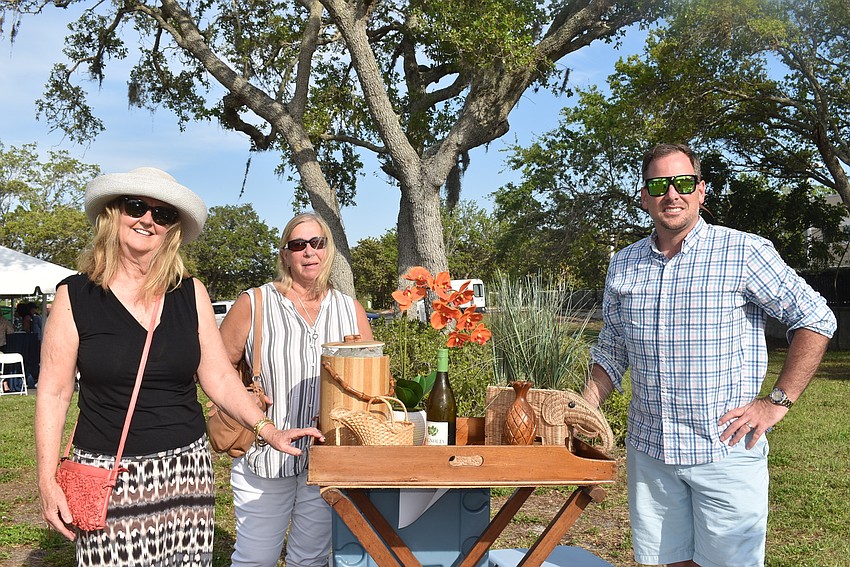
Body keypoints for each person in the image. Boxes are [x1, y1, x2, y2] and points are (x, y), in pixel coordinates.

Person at [34, 167, 324, 567]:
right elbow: (53, 392)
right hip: (109, 473)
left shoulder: (190, 292)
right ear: (113, 214)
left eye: (163, 214)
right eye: (136, 206)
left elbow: (219, 375)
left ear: (172, 230)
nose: (148, 219)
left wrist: (267, 429)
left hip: (185, 470)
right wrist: (47, 480)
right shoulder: (75, 295)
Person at [585, 143, 836, 567]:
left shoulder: (744, 252)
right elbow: (613, 346)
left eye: (683, 182)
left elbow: (815, 318)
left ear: (701, 190)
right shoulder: (624, 265)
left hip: (724, 449)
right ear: (644, 196)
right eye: (659, 185)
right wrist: (584, 408)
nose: (671, 194)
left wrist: (777, 402)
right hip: (651, 451)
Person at [219, 212, 373, 567]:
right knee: (256, 558)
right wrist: (247, 400)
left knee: (312, 558)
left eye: (317, 243)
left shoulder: (351, 310)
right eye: (298, 245)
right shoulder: (255, 303)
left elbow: (371, 380)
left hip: (327, 455)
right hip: (265, 452)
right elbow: (217, 365)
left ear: (328, 250)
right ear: (285, 254)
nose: (309, 252)